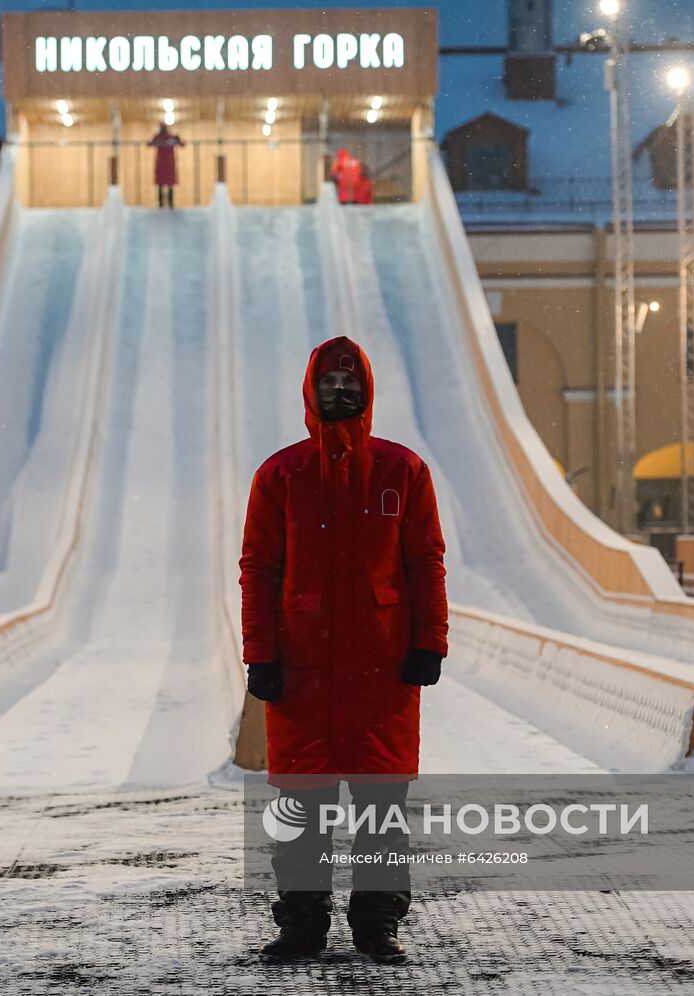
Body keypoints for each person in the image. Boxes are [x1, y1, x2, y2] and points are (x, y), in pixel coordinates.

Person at [239, 335, 448, 965]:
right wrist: (261, 654)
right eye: (328, 382)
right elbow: (259, 569)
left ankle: (376, 926)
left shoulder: (402, 471)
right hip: (303, 670)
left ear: (367, 390)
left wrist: (428, 642)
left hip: (383, 670)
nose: (340, 390)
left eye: (350, 382)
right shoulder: (280, 476)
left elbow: (425, 561)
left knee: (381, 808)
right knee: (301, 809)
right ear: (310, 392)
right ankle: (301, 925)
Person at [147, 122, 184, 209]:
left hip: (168, 165)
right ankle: (162, 205)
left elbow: (182, 144)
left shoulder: (169, 137)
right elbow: (149, 144)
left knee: (168, 185)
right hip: (163, 164)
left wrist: (177, 139)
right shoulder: (160, 137)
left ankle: (169, 205)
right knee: (162, 185)